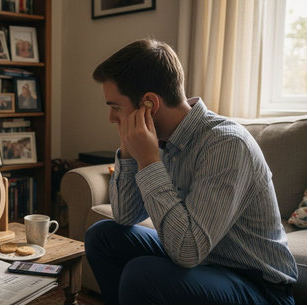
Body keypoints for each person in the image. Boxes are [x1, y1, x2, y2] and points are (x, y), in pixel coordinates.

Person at [85, 38, 298, 304]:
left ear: (149, 104)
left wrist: (150, 163)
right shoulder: (158, 138)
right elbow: (125, 216)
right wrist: (129, 149)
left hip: (258, 285)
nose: (112, 118)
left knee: (141, 275)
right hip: (205, 264)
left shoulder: (227, 144)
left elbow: (187, 251)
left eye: (115, 107)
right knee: (102, 236)